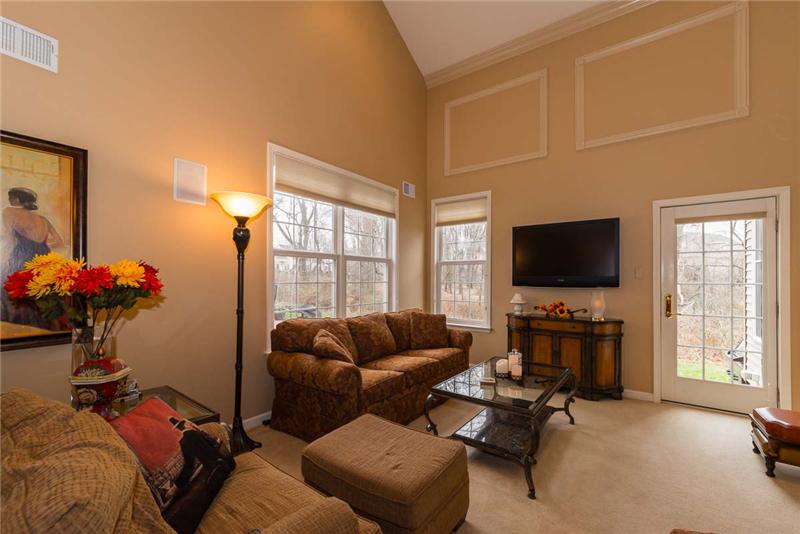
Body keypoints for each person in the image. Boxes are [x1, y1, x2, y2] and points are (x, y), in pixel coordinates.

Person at [1, 187, 65, 327]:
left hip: (23, 256)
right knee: (43, 295)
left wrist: (6, 262)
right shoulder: (42, 219)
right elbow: (59, 243)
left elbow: (9, 239)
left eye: (11, 197)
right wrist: (41, 248)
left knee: (14, 291)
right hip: (43, 257)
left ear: (17, 199)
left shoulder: (9, 212)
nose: (9, 200)